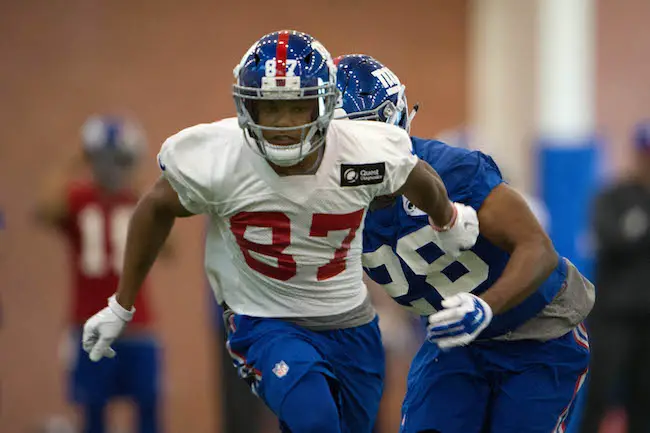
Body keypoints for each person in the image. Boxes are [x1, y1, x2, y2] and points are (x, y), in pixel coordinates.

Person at [79, 30, 480, 433]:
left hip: (349, 322)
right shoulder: (219, 157)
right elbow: (154, 207)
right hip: (264, 319)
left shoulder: (360, 150)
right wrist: (121, 304)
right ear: (246, 108)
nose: (283, 124)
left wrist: (447, 218)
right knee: (316, 421)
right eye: (270, 109)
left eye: (297, 108)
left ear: (324, 106)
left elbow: (416, 175)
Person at [335, 54, 595, 433]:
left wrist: (486, 307)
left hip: (538, 331)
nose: (347, 154)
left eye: (357, 138)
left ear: (392, 124)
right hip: (455, 341)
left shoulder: (453, 171)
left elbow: (538, 249)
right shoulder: (326, 197)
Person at [35, 115, 162, 433]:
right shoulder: (79, 197)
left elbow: (170, 245)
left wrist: (141, 185)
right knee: (92, 414)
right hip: (88, 325)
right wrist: (74, 160)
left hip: (137, 326)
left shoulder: (137, 199)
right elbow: (45, 210)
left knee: (149, 410)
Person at [579, 121, 650, 433]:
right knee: (600, 394)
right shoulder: (612, 197)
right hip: (614, 318)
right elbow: (612, 238)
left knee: (644, 399)